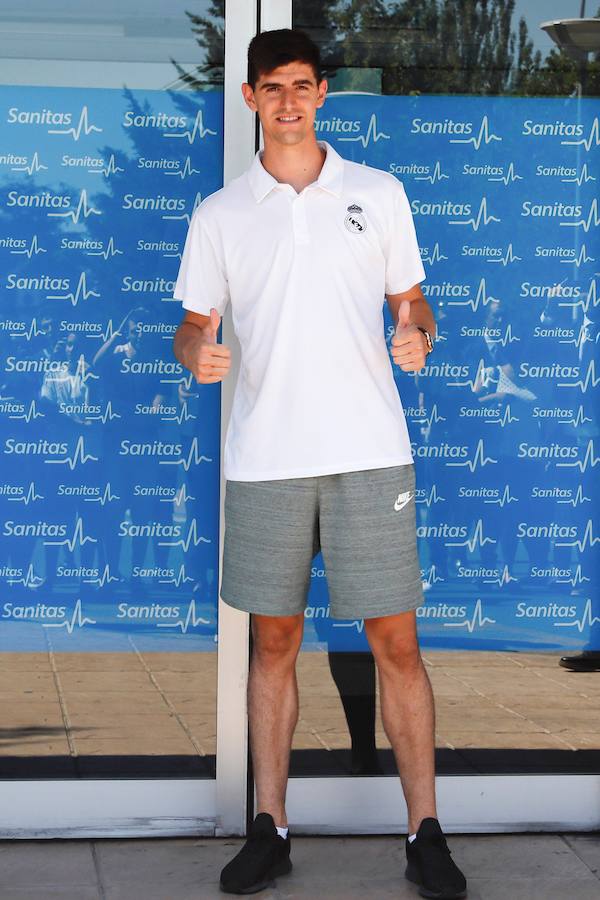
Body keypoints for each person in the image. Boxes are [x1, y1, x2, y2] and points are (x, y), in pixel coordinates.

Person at [172, 27, 467, 900]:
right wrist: (195, 354)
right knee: (274, 641)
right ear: (250, 98)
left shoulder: (377, 193)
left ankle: (424, 833)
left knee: (396, 642)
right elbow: (191, 322)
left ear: (323, 93)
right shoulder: (221, 214)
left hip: (370, 454)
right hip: (266, 458)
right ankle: (270, 829)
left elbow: (414, 303)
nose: (289, 101)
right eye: (273, 87)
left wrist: (418, 334)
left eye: (302, 85)